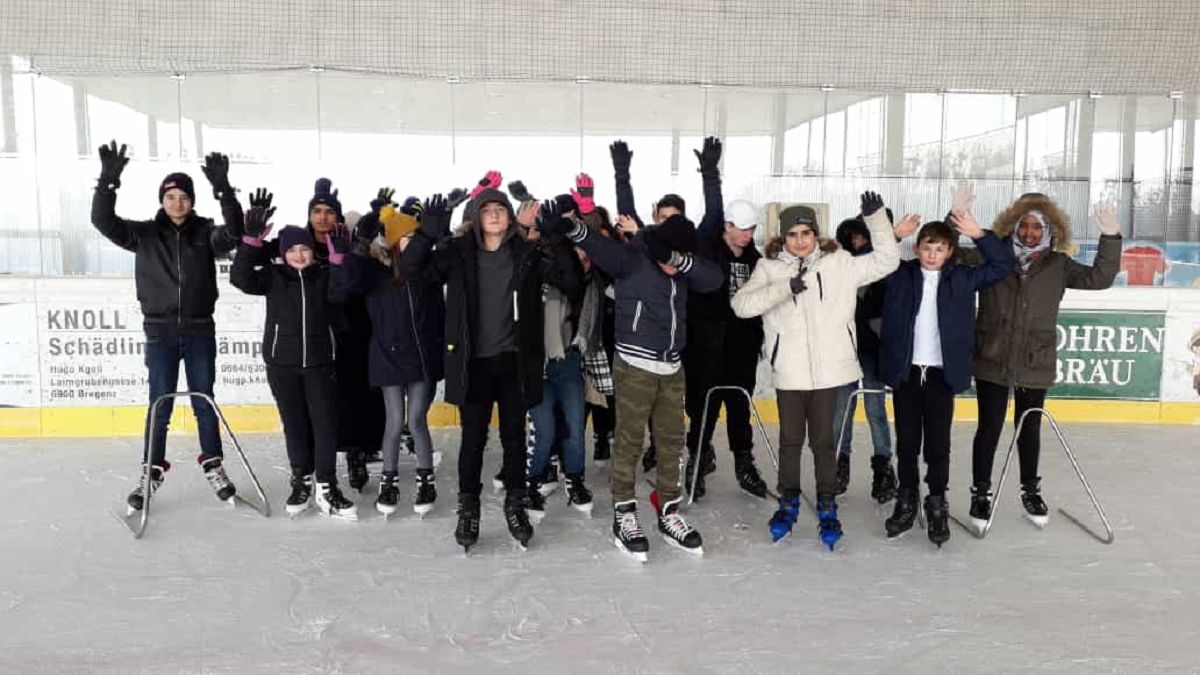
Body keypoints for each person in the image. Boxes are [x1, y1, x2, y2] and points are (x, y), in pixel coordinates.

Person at [401, 183, 580, 552]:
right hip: (472, 363)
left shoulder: (526, 253)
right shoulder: (456, 253)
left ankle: (515, 504)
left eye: (500, 208)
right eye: (487, 209)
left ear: (510, 217)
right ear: (476, 218)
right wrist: (425, 234)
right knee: (473, 439)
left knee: (514, 437)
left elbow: (571, 281)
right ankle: (469, 508)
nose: (495, 214)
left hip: (514, 361)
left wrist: (556, 238)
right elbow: (412, 272)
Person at [553, 174, 723, 561]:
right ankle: (624, 514)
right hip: (634, 364)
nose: (673, 267)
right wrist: (571, 224)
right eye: (668, 256)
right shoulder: (632, 260)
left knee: (671, 442)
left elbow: (713, 279)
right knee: (628, 442)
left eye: (679, 257)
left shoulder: (682, 267)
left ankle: (669, 511)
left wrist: (677, 261)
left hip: (672, 367)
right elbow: (595, 244)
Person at [732, 193, 901, 549]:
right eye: (792, 235)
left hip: (830, 371)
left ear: (815, 234)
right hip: (790, 371)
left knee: (824, 442)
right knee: (790, 441)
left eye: (805, 233)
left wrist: (877, 221)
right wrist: (784, 288)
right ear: (783, 237)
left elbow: (887, 260)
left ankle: (827, 503)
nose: (799, 241)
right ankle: (788, 502)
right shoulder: (769, 268)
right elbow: (741, 305)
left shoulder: (840, 263)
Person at [90, 141, 244, 513]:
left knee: (204, 400)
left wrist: (224, 190)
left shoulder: (205, 233)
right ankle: (152, 470)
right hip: (160, 331)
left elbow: (236, 232)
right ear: (162, 200)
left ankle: (213, 464)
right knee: (160, 404)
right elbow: (102, 221)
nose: (177, 203)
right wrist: (108, 181)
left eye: (183, 197)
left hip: (199, 329)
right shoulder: (143, 234)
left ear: (191, 201)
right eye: (171, 197)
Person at [968, 193, 1122, 531]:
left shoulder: (1058, 265)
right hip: (993, 354)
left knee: (1029, 427)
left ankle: (1030, 491)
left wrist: (1110, 238)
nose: (1029, 232)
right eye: (1023, 225)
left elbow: (1100, 278)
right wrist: (958, 218)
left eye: (1037, 227)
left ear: (1050, 230)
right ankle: (980, 493)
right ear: (1012, 225)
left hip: (1034, 359)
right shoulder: (991, 256)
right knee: (989, 428)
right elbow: (948, 255)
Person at [878, 209, 1013, 546]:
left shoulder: (962, 278)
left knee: (939, 445)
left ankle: (937, 501)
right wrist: (893, 235)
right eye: (926, 247)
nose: (932, 255)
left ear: (951, 251)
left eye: (940, 249)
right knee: (907, 443)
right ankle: (906, 499)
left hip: (941, 374)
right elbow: (867, 261)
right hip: (907, 372)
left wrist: (979, 235)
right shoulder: (899, 274)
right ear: (916, 248)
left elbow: (1002, 265)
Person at [231, 206, 357, 519]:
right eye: (292, 250)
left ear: (313, 252)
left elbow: (342, 294)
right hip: (281, 365)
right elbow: (240, 278)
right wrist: (250, 244)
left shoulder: (324, 276)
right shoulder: (273, 277)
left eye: (305, 249)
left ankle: (326, 486)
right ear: (283, 254)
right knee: (295, 425)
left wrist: (339, 260)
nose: (299, 255)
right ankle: (301, 481)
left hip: (320, 363)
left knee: (325, 425)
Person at [334, 192, 446, 517]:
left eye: (415, 237)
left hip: (420, 357)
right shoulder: (374, 274)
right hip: (387, 357)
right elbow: (348, 283)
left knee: (416, 420)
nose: (411, 243)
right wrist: (358, 247)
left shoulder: (425, 272)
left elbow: (436, 266)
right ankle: (389, 480)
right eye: (406, 237)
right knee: (394, 421)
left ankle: (425, 480)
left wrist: (439, 230)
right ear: (393, 241)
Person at [683, 136, 768, 502]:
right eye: (742, 228)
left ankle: (744, 464)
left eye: (752, 229)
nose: (747, 235)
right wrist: (710, 174)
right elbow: (712, 211)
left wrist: (760, 339)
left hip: (741, 345)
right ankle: (697, 462)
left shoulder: (756, 259)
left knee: (738, 407)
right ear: (727, 226)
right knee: (703, 408)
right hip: (706, 345)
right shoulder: (707, 247)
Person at [831, 215, 898, 503]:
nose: (858, 242)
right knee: (841, 408)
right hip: (845, 348)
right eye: (854, 238)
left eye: (863, 237)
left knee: (875, 409)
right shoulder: (843, 263)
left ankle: (883, 468)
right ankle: (838, 462)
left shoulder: (885, 263)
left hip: (873, 349)